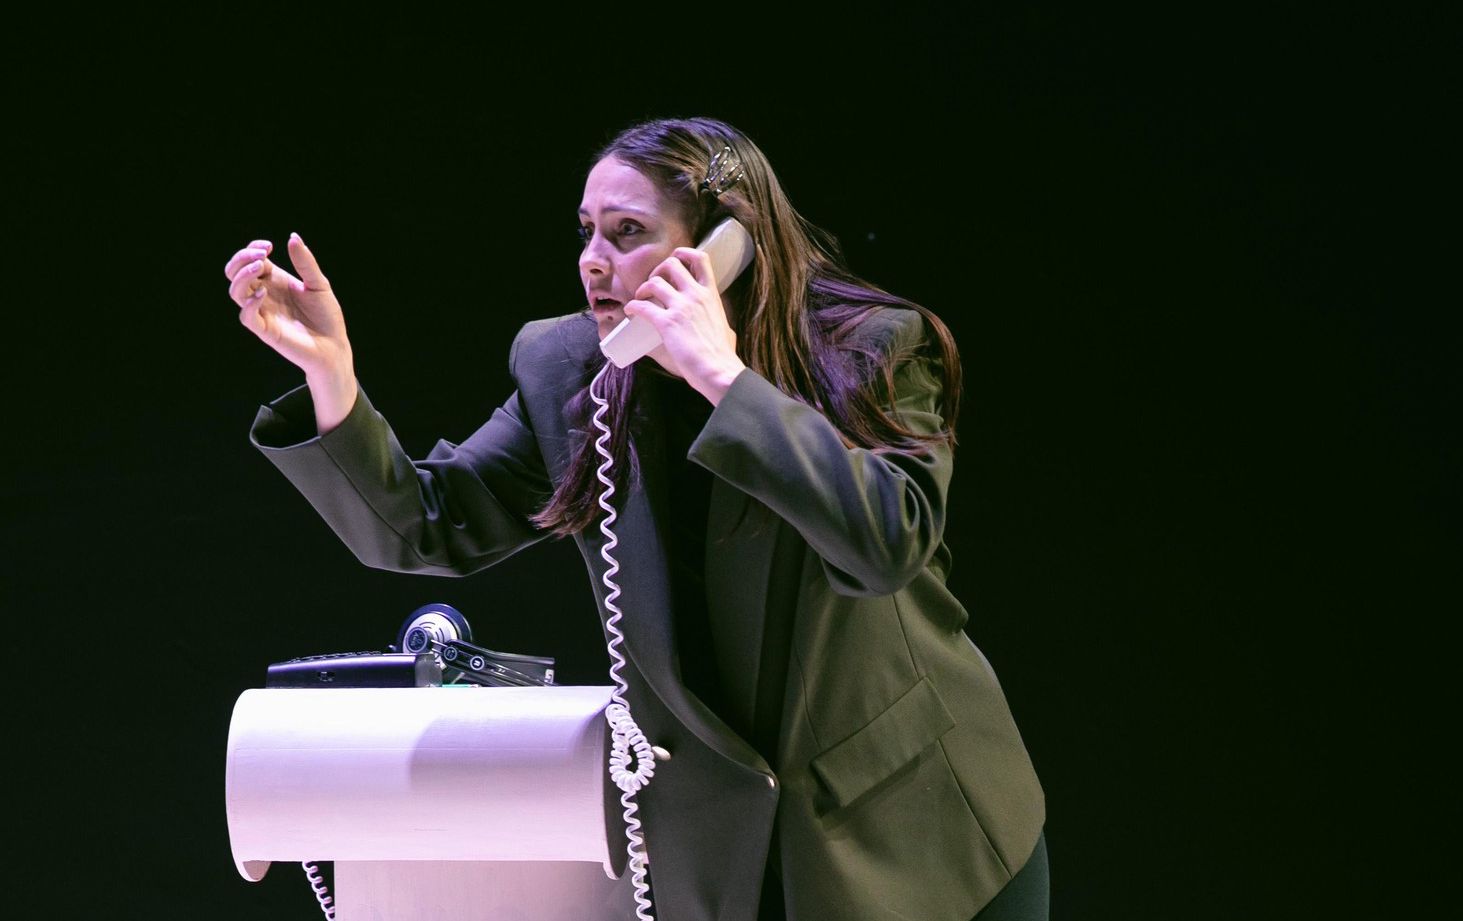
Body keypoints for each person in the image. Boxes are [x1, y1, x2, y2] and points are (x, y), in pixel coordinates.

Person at [224, 117, 1047, 921]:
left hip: (920, 836)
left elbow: (886, 543)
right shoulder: (571, 370)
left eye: (626, 231)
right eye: (586, 230)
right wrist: (332, 376)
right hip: (725, 848)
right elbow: (425, 524)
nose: (592, 261)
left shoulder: (872, 349)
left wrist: (721, 375)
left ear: (728, 245)